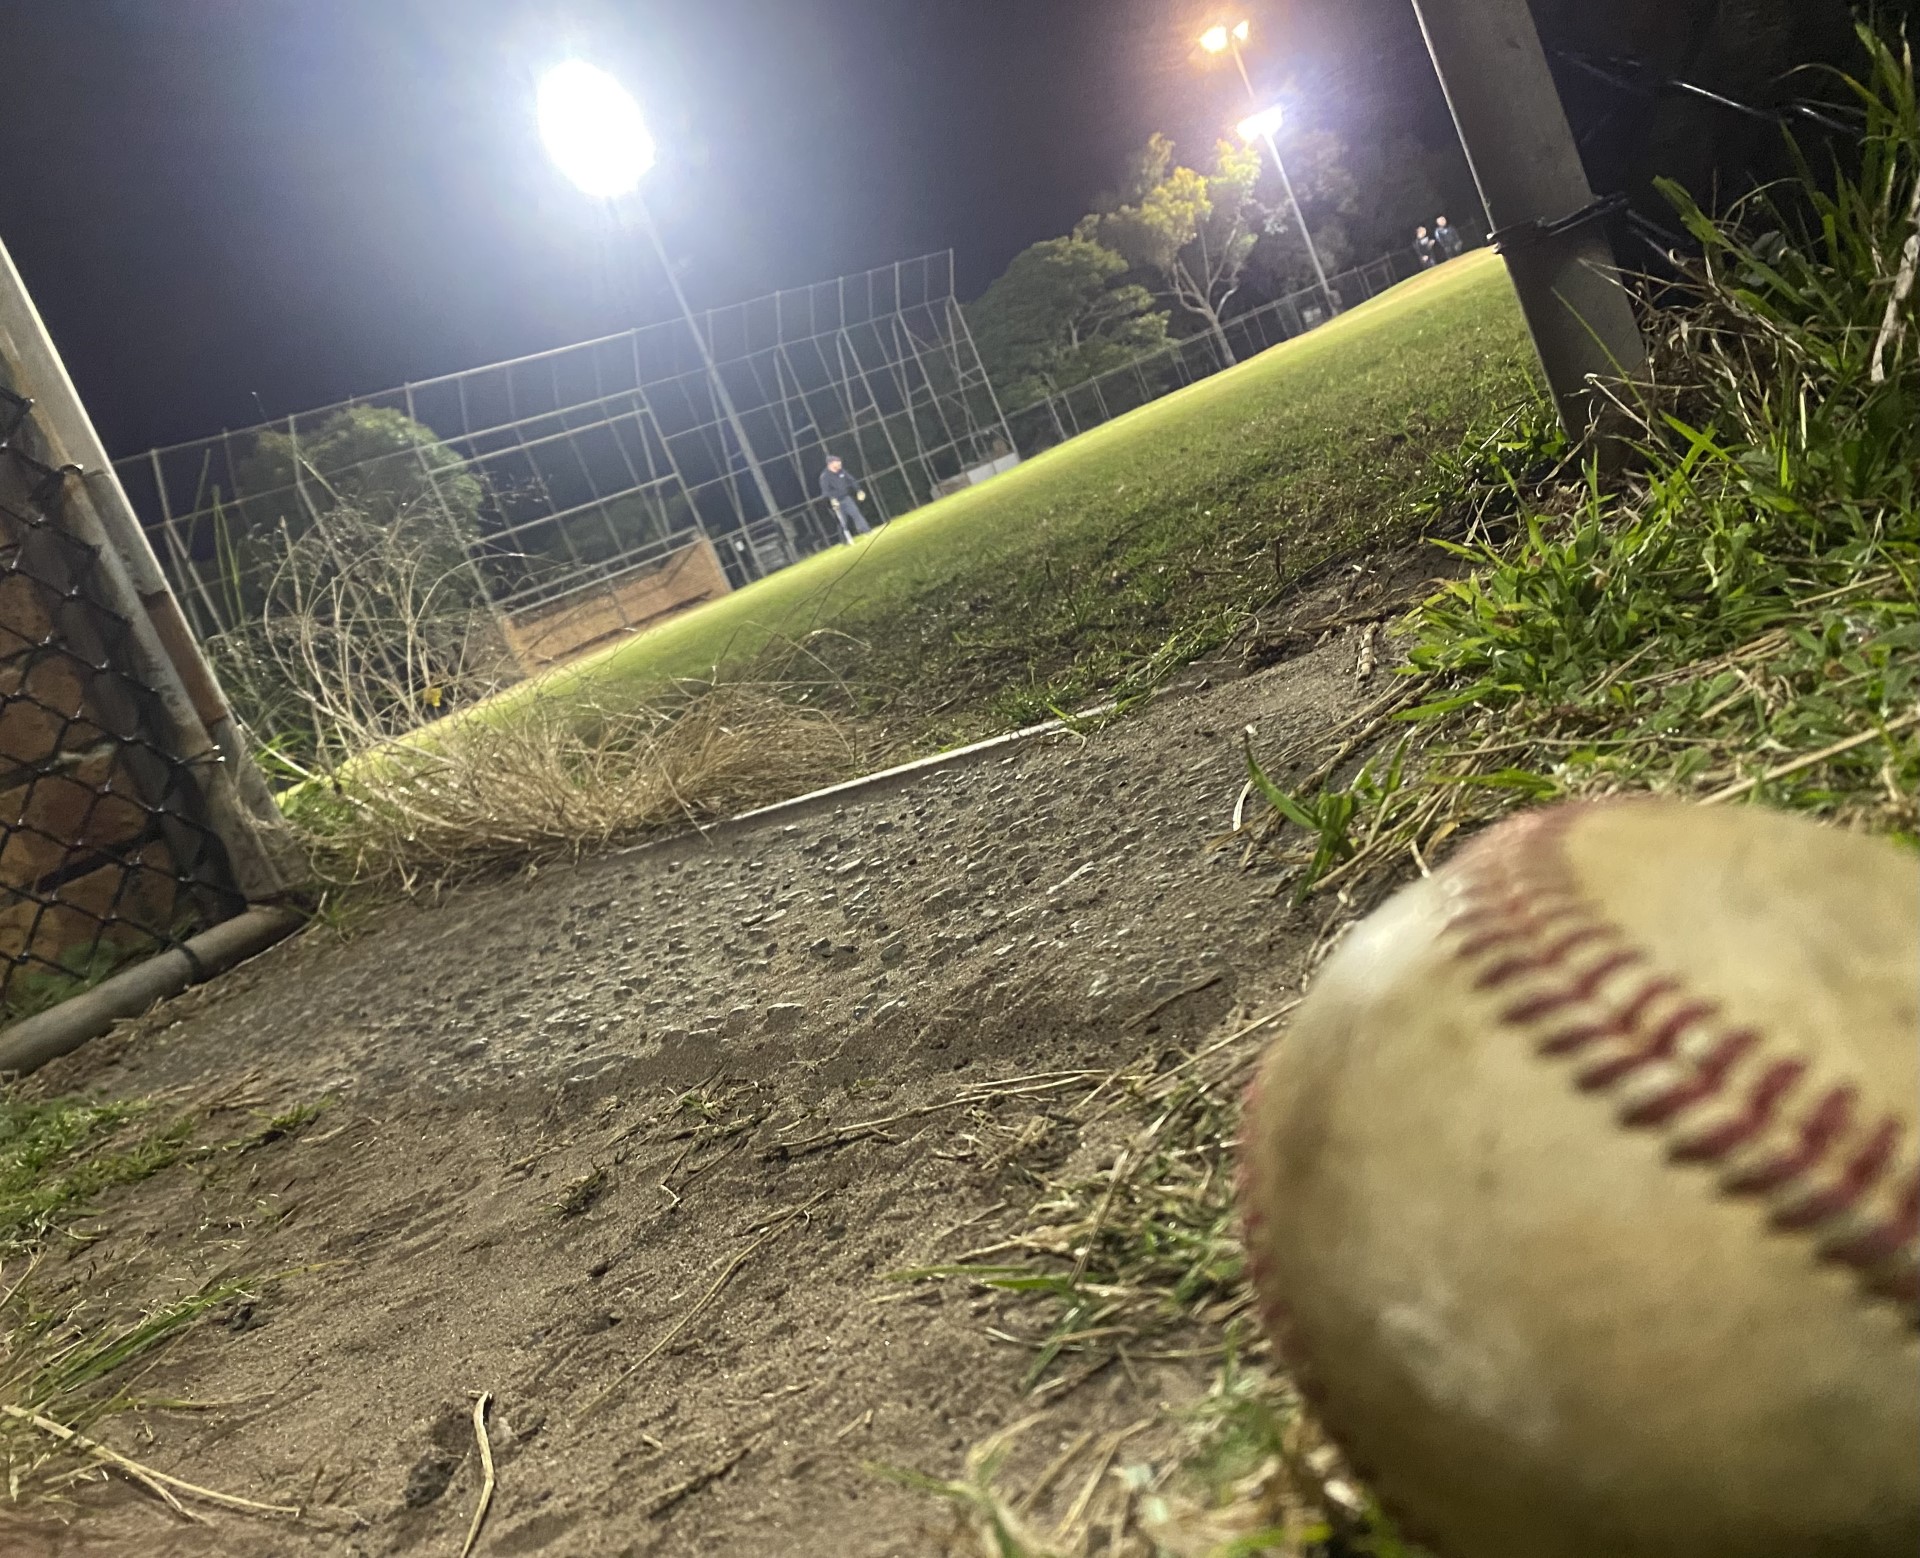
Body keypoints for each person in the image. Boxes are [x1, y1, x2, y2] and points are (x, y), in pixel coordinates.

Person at [819, 455, 871, 545]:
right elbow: (825, 492)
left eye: (839, 462)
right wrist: (832, 500)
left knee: (856, 514)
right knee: (842, 522)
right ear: (831, 464)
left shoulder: (841, 471)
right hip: (835, 503)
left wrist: (859, 490)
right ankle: (845, 541)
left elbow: (851, 480)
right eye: (837, 462)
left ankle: (867, 531)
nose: (840, 464)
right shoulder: (825, 476)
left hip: (846, 498)